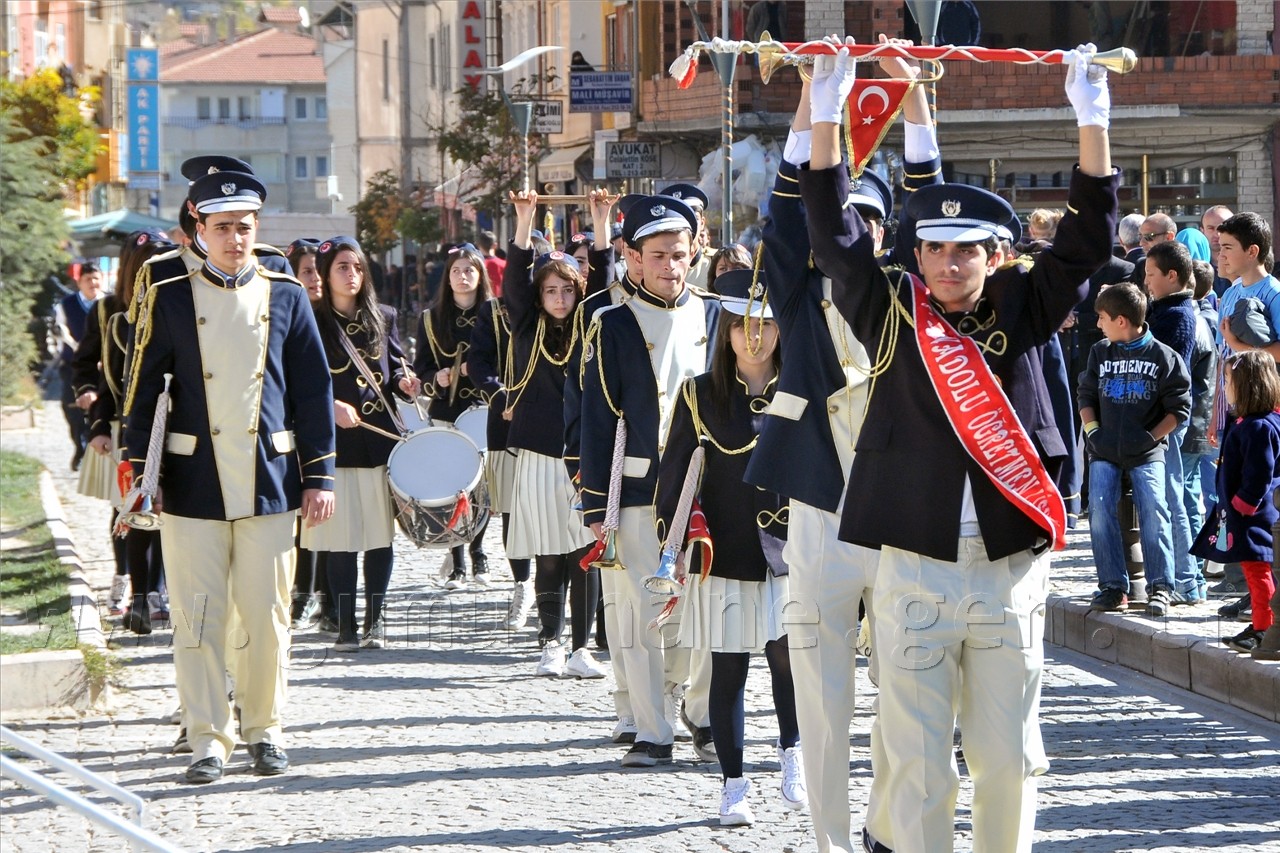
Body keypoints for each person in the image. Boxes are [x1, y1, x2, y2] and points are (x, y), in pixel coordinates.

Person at [798, 40, 1119, 852]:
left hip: (1008, 566)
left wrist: (1092, 121)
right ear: (915, 255)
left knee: (1008, 758)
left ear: (996, 253)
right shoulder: (892, 310)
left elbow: (1086, 241)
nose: (949, 261)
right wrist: (829, 116)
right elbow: (835, 238)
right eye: (935, 248)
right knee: (916, 759)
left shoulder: (1022, 304)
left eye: (967, 247)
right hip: (913, 561)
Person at [747, 35, 930, 853]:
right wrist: (816, 106)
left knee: (908, 691)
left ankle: (887, 829)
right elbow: (786, 220)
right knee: (822, 696)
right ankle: (826, 838)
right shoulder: (793, 287)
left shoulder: (915, 299)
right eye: (841, 218)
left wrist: (915, 97)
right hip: (819, 512)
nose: (850, 233)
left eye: (868, 223)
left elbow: (937, 208)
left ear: (887, 236)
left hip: (901, 517)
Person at [124, 169, 335, 784]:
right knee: (197, 616)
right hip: (191, 483)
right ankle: (206, 739)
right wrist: (145, 471)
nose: (235, 240)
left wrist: (318, 476)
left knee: (267, 616)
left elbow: (313, 392)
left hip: (269, 479)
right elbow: (142, 392)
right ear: (199, 229)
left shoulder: (286, 292)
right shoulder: (168, 291)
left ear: (256, 229)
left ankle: (265, 729)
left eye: (244, 228)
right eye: (222, 229)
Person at [657, 268, 804, 827]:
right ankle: (733, 784)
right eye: (743, 326)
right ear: (726, 332)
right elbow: (675, 475)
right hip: (726, 550)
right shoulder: (700, 393)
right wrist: (676, 544)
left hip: (791, 553)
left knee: (790, 663)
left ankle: (793, 754)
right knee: (727, 669)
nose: (754, 337)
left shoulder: (802, 389)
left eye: (765, 325)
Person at [579, 193, 720, 767]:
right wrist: (595, 502)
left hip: (710, 485)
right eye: (658, 255)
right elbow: (595, 415)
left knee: (711, 611)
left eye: (679, 254)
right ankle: (651, 729)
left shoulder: (715, 313)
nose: (670, 266)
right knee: (638, 616)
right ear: (632, 258)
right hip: (638, 486)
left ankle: (705, 711)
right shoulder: (609, 322)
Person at [504, 190, 615, 679]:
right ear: (540, 295)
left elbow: (607, 283)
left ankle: (580, 648)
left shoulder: (591, 323)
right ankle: (549, 643)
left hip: (581, 454)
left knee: (583, 553)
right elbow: (511, 282)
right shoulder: (525, 326)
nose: (560, 298)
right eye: (551, 290)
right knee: (549, 551)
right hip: (537, 453)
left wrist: (601, 220)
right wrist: (524, 220)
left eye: (568, 290)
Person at [304, 237, 418, 650]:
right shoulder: (312, 319)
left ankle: (376, 619)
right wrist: (329, 405)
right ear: (325, 273)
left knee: (378, 536)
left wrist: (407, 385)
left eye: (356, 266)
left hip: (378, 445)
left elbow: (397, 370)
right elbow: (298, 380)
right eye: (341, 267)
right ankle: (345, 624)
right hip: (334, 445)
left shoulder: (383, 316)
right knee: (340, 539)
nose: (351, 274)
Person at [1081, 283, 1192, 615]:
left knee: (1154, 510)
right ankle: (1113, 586)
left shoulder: (1163, 356)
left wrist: (1151, 437)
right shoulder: (1100, 351)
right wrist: (1093, 432)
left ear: (1121, 320)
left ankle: (1162, 587)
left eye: (1102, 317)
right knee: (1099, 511)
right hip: (1104, 450)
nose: (1098, 324)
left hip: (1147, 452)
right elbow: (1085, 395)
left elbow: (1179, 408)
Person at [84, 232, 173, 633]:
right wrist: (99, 422)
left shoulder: (176, 307)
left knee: (168, 511)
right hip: (128, 427)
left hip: (175, 427)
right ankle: (132, 584)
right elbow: (99, 373)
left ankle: (159, 589)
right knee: (130, 508)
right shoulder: (110, 314)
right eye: (143, 262)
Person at [414, 243, 494, 586]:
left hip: (482, 411)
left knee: (481, 489)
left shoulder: (495, 315)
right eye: (457, 271)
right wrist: (437, 377)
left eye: (470, 270)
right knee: (452, 486)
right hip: (448, 410)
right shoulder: (430, 320)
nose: (463, 277)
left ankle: (479, 553)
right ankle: (458, 557)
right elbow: (421, 371)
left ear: (481, 275)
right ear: (447, 278)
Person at [1191, 350, 1280, 653]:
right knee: (1257, 572)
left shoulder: (1258, 427)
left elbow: (1259, 474)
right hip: (1245, 515)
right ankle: (1261, 622)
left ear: (1247, 385)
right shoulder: (1249, 421)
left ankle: (1264, 628)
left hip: (1252, 516)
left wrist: (1241, 506)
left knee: (1258, 573)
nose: (1224, 387)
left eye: (1228, 380)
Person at [1145, 240, 1207, 603]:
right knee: (1171, 495)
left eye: (1152, 275)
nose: (1147, 281)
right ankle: (1187, 578)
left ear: (1172, 276)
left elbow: (1165, 373)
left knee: (1172, 497)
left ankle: (1187, 580)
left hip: (1166, 420)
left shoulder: (1177, 316)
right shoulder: (1165, 309)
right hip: (1163, 418)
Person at [285, 237, 329, 630]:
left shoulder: (336, 316)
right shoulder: (290, 314)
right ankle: (303, 593)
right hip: (297, 430)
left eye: (319, 271)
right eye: (308, 272)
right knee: (305, 519)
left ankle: (329, 599)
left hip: (339, 434)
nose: (316, 279)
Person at [54, 261, 102, 472]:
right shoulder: (66, 305)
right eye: (87, 279)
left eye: (96, 278)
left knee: (100, 408)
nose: (92, 283)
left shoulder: (110, 303)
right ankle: (79, 446)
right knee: (72, 407)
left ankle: (96, 451)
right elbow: (62, 332)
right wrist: (80, 351)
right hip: (74, 365)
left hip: (103, 367)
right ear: (79, 281)